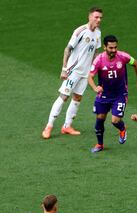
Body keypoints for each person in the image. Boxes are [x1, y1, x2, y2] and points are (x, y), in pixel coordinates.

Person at [42, 7, 103, 139]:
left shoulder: (98, 33)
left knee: (77, 98)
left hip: (85, 73)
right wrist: (64, 69)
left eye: (100, 18)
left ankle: (67, 126)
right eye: (96, 17)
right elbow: (67, 49)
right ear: (90, 17)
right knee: (63, 97)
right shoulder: (80, 31)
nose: (98, 20)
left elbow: (96, 53)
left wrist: (95, 69)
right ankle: (49, 126)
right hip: (73, 71)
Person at [88, 35, 137, 153]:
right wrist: (95, 87)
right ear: (104, 47)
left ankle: (122, 129)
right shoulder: (99, 60)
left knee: (115, 121)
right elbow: (90, 76)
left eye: (115, 47)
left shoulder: (123, 56)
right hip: (103, 95)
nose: (113, 50)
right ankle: (99, 144)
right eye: (111, 48)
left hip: (120, 95)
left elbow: (136, 64)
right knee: (100, 119)